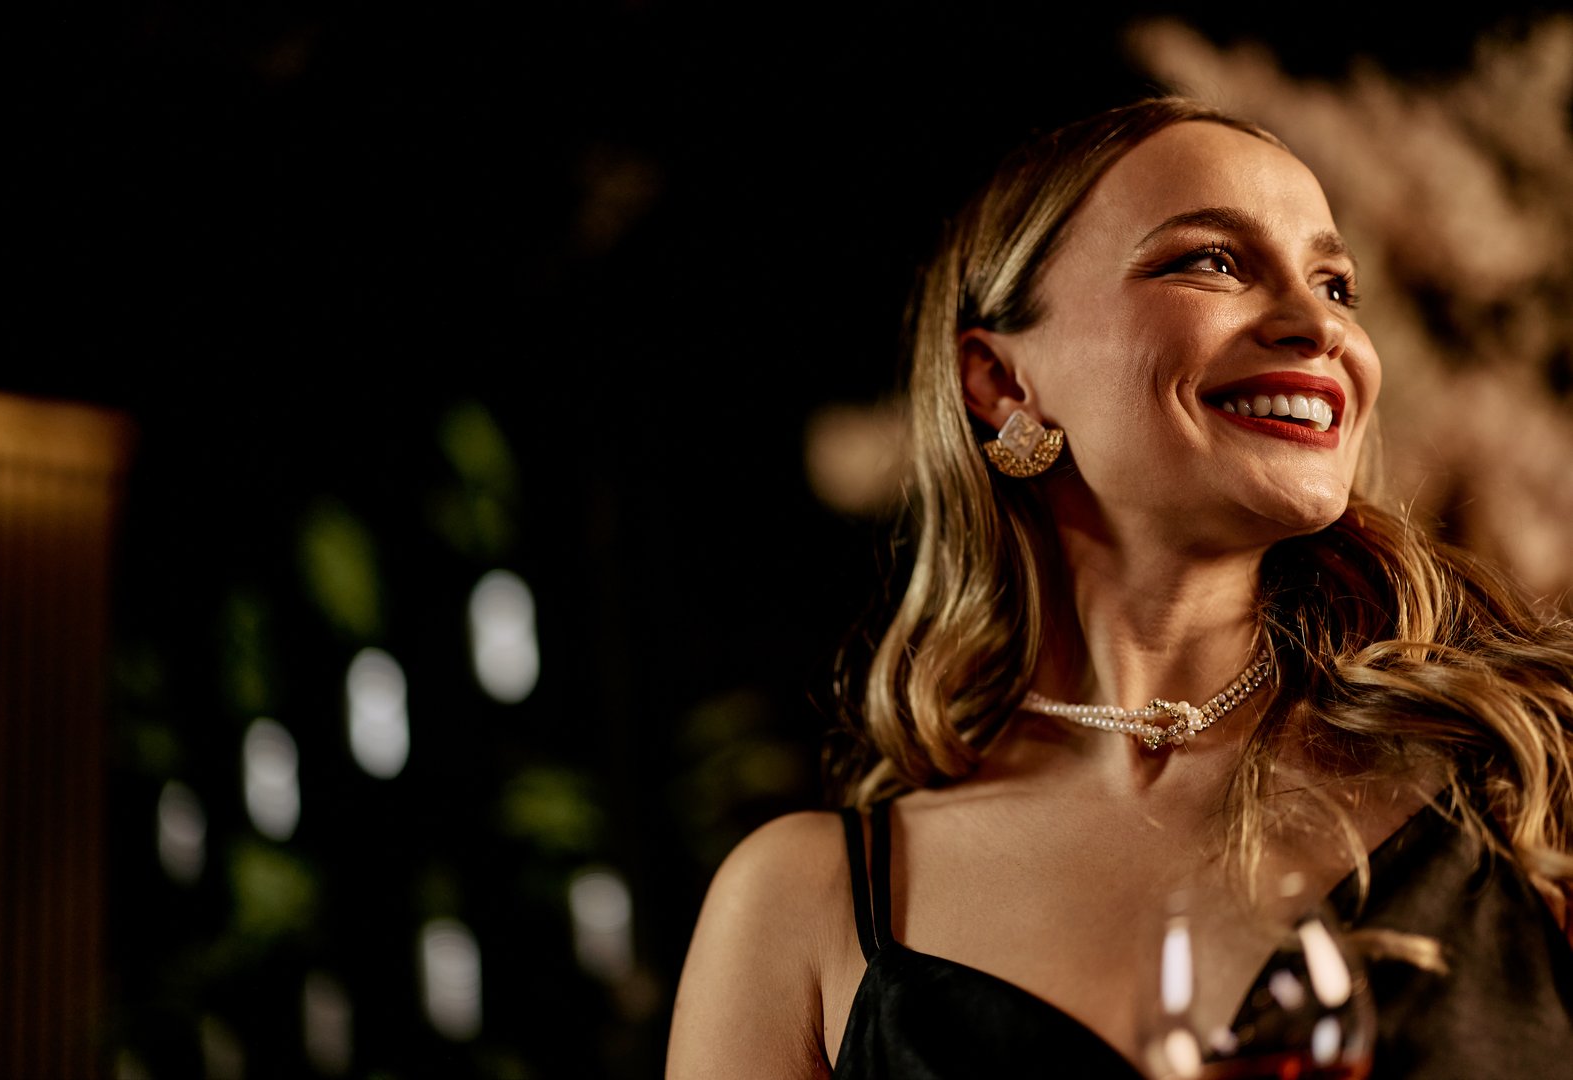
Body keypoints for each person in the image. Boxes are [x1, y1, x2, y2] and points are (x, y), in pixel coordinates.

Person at [664, 97, 1573, 1079]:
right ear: (1001, 384)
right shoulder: (803, 906)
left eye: (1335, 284)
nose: (1317, 326)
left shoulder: (1528, 777)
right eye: (1209, 261)